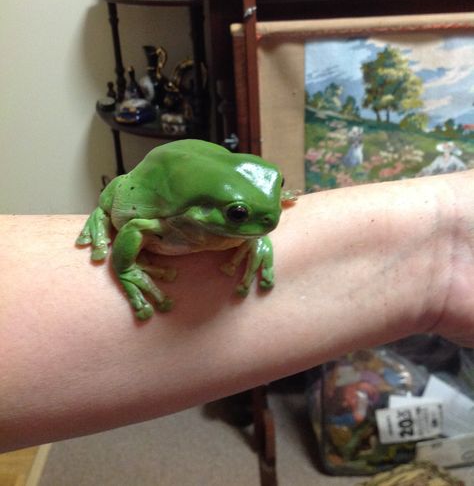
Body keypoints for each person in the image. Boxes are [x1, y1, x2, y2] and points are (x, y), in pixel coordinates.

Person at [1, 169, 474, 453]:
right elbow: (137, 226)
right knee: (130, 209)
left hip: (209, 184)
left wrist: (443, 246)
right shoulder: (168, 225)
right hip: (149, 199)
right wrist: (125, 271)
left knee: (253, 221)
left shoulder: (250, 214)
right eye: (239, 217)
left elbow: (260, 214)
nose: (272, 220)